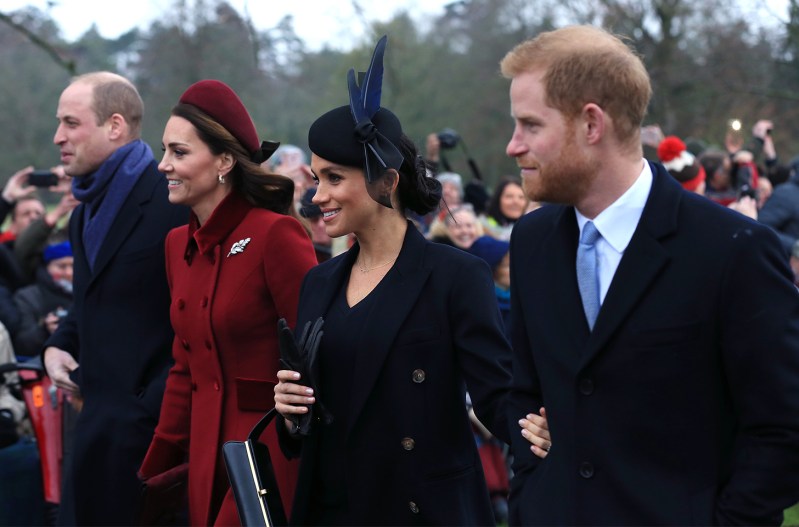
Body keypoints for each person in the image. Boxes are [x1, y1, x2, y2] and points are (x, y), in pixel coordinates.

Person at [501, 25, 799, 525]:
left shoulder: (731, 250)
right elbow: (525, 393)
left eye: (530, 125)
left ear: (591, 124)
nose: (513, 146)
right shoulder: (533, 242)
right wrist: (535, 493)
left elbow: (783, 426)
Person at [273, 36, 512, 526]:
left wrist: (552, 426)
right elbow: (314, 422)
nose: (318, 195)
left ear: (386, 179)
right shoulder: (319, 283)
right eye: (316, 178)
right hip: (332, 510)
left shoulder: (456, 276)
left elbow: (497, 397)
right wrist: (291, 412)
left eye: (334, 178)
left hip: (421, 511)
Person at [138, 79, 317, 526]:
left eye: (179, 152)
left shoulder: (276, 234)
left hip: (267, 453)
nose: (163, 165)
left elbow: (317, 349)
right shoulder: (177, 244)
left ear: (223, 161)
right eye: (164, 151)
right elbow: (185, 366)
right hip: (205, 455)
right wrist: (160, 459)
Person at [42, 71, 187, 525]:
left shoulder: (171, 202)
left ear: (115, 126)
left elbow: (199, 313)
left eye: (70, 123)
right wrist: (60, 344)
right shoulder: (82, 214)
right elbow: (91, 298)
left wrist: (153, 404)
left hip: (153, 440)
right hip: (94, 433)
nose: (57, 137)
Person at [13, 238, 73, 359]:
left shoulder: (88, 294)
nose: (69, 272)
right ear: (47, 267)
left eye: (73, 265)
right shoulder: (28, 297)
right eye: (61, 266)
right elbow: (21, 345)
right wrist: (45, 329)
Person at [481, 176, 529, 240]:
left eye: (521, 197)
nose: (516, 202)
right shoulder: (480, 227)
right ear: (497, 199)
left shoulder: (530, 227)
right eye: (509, 196)